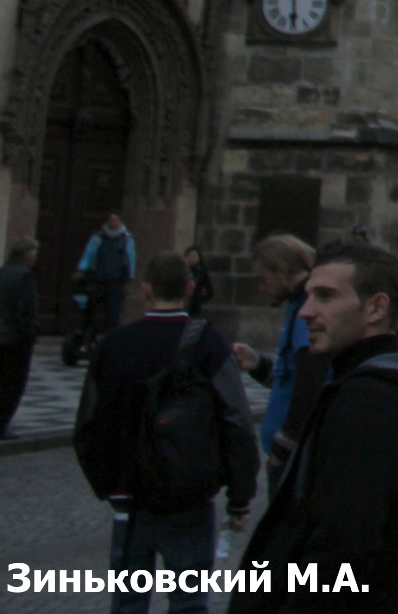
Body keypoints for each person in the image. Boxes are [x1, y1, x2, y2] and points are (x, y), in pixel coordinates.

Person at [230, 243, 398, 614]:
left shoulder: (367, 402)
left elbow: (341, 550)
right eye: (309, 295)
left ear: (375, 308)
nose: (306, 311)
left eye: (325, 296)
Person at [74, 252, 259, 614]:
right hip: (188, 493)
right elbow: (236, 420)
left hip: (129, 492)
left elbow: (87, 424)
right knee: (189, 602)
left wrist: (107, 483)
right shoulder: (210, 343)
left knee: (128, 602)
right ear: (189, 289)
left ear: (145, 290)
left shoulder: (115, 344)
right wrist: (240, 496)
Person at [231, 233, 318, 476]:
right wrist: (257, 364)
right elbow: (290, 379)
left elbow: (310, 380)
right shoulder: (296, 304)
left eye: (263, 279)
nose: (262, 288)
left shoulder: (307, 308)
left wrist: (285, 443)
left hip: (294, 456)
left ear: (280, 270)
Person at [0, 236, 40, 439]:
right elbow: (25, 311)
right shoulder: (24, 276)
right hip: (16, 338)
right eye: (34, 253)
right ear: (27, 255)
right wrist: (31, 333)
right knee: (12, 385)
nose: (36, 258)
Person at [78, 211, 139, 340]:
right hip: (98, 279)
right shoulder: (98, 238)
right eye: (111, 220)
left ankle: (111, 337)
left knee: (113, 312)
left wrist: (130, 276)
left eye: (116, 220)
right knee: (92, 309)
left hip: (116, 281)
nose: (114, 222)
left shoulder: (126, 239)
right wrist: (82, 268)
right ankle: (88, 336)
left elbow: (131, 258)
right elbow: (89, 254)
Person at [183, 247, 215, 318]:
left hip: (194, 308)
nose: (191, 259)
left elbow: (210, 292)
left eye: (194, 256)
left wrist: (198, 300)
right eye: (189, 256)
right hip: (182, 305)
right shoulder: (182, 271)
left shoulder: (202, 272)